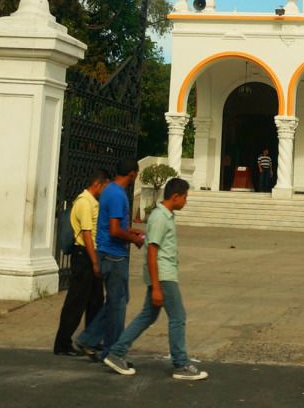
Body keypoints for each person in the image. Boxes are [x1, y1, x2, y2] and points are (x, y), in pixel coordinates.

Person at [102, 177, 208, 381]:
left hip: (161, 275)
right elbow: (152, 252)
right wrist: (157, 286)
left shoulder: (165, 216)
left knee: (147, 316)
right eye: (184, 198)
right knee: (178, 317)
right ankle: (181, 363)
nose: (186, 202)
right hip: (163, 275)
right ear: (175, 196)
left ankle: (116, 353)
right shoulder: (160, 218)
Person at [72, 158, 145, 361]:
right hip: (114, 256)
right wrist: (134, 240)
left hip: (109, 253)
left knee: (116, 302)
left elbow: (112, 225)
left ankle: (97, 344)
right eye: (136, 174)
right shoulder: (117, 195)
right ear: (132, 174)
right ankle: (109, 351)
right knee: (118, 304)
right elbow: (114, 231)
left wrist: (131, 230)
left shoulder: (110, 191)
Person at [54, 168, 109, 356]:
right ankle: (62, 343)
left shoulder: (93, 201)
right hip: (84, 256)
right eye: (105, 186)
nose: (105, 191)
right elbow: (86, 233)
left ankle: (90, 341)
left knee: (95, 301)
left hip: (91, 254)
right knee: (76, 302)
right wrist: (94, 262)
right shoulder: (85, 202)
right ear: (97, 184)